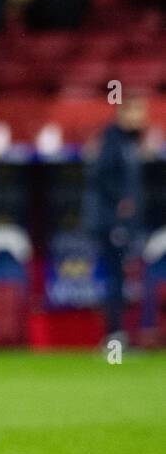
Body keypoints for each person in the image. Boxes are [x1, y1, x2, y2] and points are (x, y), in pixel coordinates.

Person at [87, 94, 148, 343]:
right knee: (115, 276)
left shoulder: (129, 141)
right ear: (124, 113)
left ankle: (119, 334)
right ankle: (113, 335)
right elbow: (100, 175)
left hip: (121, 221)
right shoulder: (112, 139)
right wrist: (121, 201)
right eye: (137, 112)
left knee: (121, 277)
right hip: (110, 221)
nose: (141, 118)